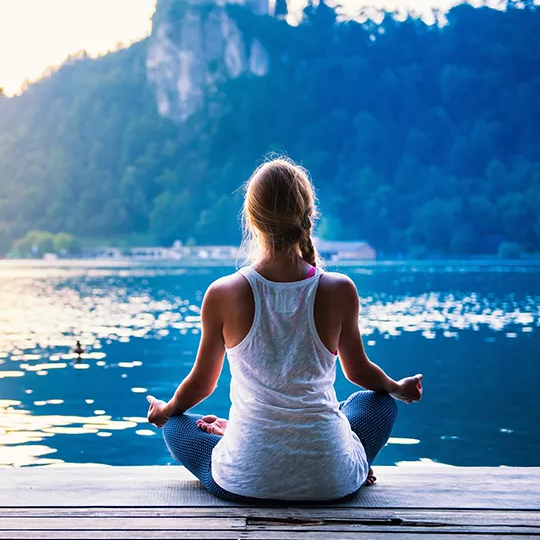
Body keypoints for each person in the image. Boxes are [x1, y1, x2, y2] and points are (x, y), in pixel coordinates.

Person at [147, 158, 423, 502]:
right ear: (309, 216)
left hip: (245, 481)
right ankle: (350, 465)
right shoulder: (340, 289)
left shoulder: (222, 293)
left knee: (176, 422)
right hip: (332, 483)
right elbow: (359, 373)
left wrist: (165, 410)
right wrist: (397, 388)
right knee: (378, 402)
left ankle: (238, 440)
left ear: (252, 219)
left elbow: (202, 385)